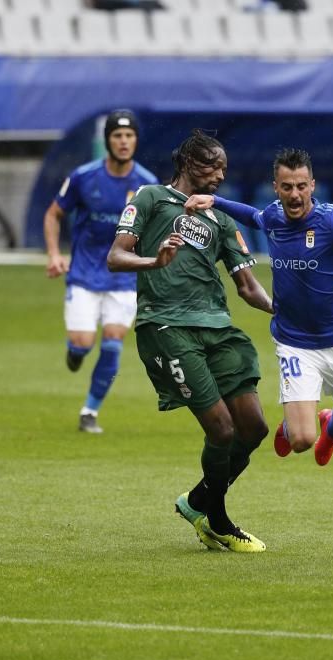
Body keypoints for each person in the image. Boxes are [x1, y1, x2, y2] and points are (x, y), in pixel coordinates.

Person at [184, 148, 333, 466]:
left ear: (312, 185)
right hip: (294, 341)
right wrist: (214, 201)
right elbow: (254, 217)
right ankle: (295, 424)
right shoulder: (273, 216)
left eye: (301, 186)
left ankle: (332, 426)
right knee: (300, 440)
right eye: (287, 187)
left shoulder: (331, 220)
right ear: (276, 188)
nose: (295, 194)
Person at [107, 130, 273, 553]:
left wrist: (286, 311)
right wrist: (153, 259)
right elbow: (116, 255)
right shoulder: (149, 197)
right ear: (186, 164)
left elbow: (248, 287)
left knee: (254, 427)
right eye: (209, 166)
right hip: (166, 327)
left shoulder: (221, 219)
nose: (218, 175)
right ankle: (216, 520)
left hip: (218, 328)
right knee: (221, 429)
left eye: (223, 168)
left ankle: (198, 501)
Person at [43, 110, 158, 434]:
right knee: (82, 343)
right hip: (84, 273)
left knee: (113, 342)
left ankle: (89, 412)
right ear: (107, 140)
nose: (123, 142)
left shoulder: (147, 185)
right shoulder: (84, 176)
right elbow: (54, 214)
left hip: (123, 277)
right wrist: (54, 254)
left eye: (129, 136)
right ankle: (76, 353)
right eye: (117, 136)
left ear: (136, 140)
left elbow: (157, 229)